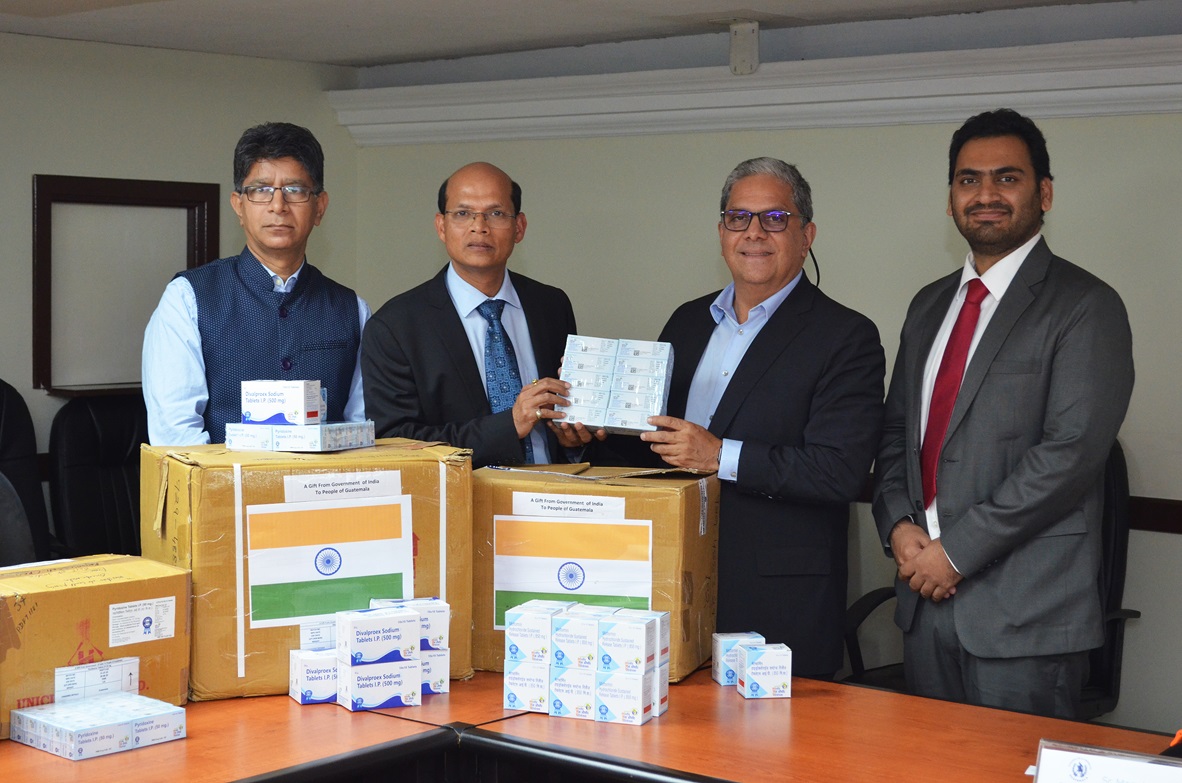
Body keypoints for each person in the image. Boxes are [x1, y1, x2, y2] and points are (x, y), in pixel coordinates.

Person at [872, 108, 1134, 718]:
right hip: (923, 602)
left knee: (1015, 767)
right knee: (930, 763)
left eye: (1007, 178)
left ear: (1044, 194)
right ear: (950, 200)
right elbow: (896, 433)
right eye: (969, 180)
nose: (985, 194)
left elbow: (1069, 454)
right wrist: (898, 525)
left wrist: (955, 553)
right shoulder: (929, 305)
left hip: (1026, 618)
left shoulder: (1086, 305)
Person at [637, 157, 886, 679]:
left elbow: (838, 471)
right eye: (738, 218)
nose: (753, 232)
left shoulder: (846, 336)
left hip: (779, 598)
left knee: (776, 735)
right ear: (721, 233)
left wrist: (719, 456)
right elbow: (660, 442)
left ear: (806, 235)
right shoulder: (686, 321)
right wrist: (590, 431)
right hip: (672, 578)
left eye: (775, 218)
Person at [142, 121, 369, 446]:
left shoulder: (352, 310)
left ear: (319, 207)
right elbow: (177, 440)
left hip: (327, 480)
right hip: (223, 480)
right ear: (239, 205)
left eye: (295, 190)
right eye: (261, 190)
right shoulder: (188, 300)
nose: (278, 206)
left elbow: (361, 434)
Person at [361, 162, 595, 468]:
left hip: (554, 489)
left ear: (519, 227)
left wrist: (573, 441)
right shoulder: (395, 326)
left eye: (496, 213)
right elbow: (396, 443)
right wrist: (510, 424)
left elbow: (565, 416)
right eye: (463, 213)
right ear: (441, 226)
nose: (479, 226)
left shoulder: (551, 305)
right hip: (461, 494)